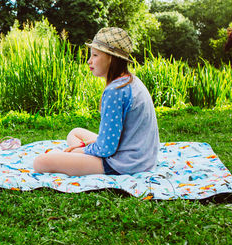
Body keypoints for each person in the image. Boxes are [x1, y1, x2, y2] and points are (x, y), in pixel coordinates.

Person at [33, 27, 160, 176]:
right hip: (144, 158)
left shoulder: (115, 90)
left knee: (40, 162)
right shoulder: (131, 81)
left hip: (125, 163)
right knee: (75, 133)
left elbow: (106, 149)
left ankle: (69, 157)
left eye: (95, 55)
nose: (89, 61)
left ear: (111, 58)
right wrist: (85, 147)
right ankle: (71, 157)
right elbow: (109, 140)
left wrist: (79, 150)